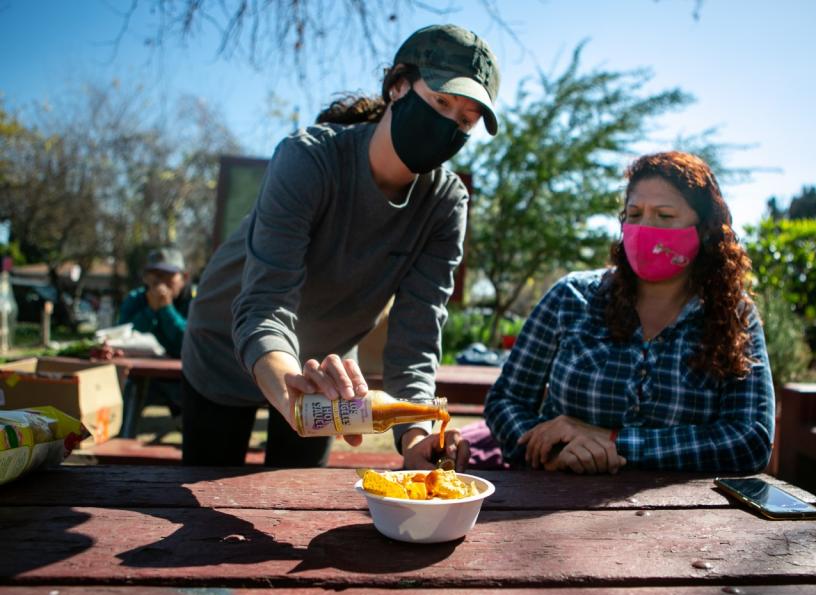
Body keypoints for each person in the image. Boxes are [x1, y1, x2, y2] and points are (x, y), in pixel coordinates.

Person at [181, 24, 500, 469]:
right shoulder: (308, 159)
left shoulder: (446, 204)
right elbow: (264, 304)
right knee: (200, 509)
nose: (448, 125)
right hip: (224, 347)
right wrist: (290, 386)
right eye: (441, 102)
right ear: (398, 86)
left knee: (294, 503)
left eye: (465, 120)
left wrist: (416, 436)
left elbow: (418, 331)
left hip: (326, 370)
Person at [482, 151, 775, 475]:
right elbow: (505, 402)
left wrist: (615, 442)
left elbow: (750, 439)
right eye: (634, 214)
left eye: (664, 216)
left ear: (705, 230)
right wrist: (553, 449)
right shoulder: (571, 298)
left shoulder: (734, 316)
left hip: (688, 519)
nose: (645, 227)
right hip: (555, 505)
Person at [112, 246, 192, 419]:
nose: (160, 283)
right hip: (144, 377)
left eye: (167, 276)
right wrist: (150, 311)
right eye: (154, 276)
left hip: (188, 378)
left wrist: (166, 309)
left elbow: (188, 343)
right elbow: (122, 337)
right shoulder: (136, 299)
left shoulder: (195, 301)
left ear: (184, 277)